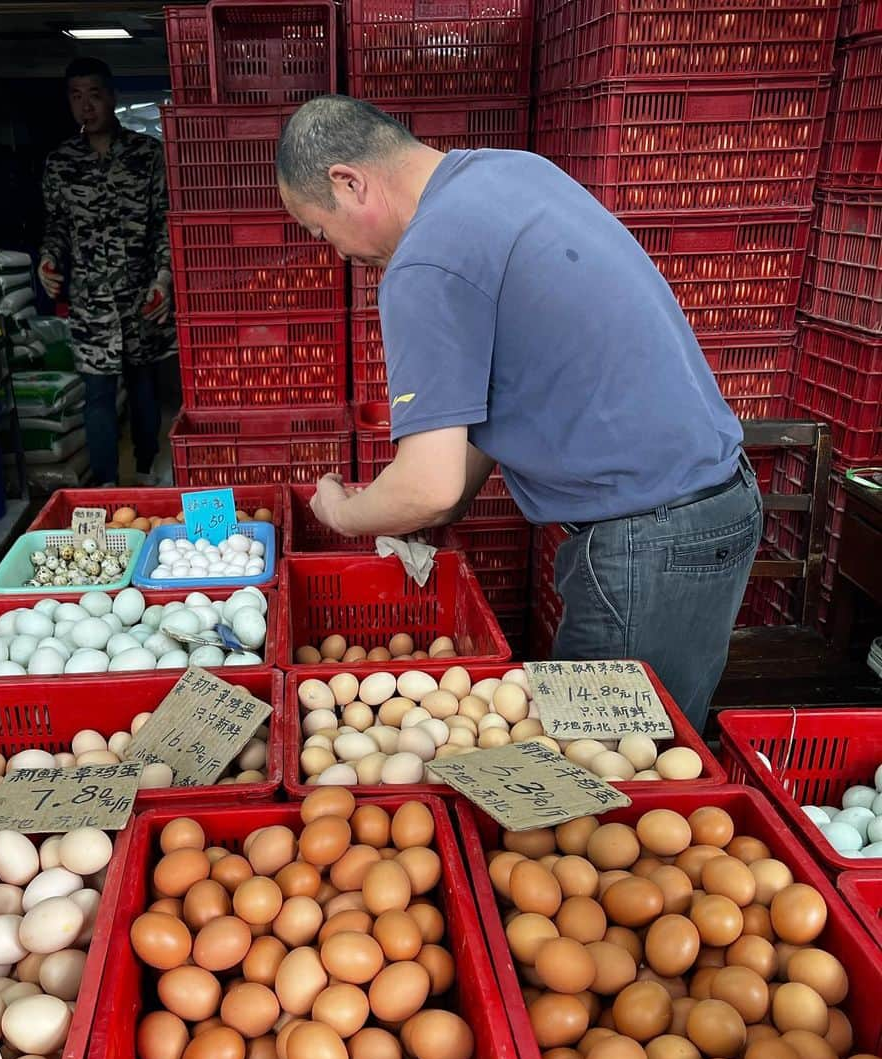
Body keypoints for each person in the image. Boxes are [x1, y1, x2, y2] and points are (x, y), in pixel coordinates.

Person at [276, 95, 762, 731]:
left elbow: (428, 484)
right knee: (664, 750)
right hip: (716, 505)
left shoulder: (425, 261)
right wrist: (435, 504)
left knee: (612, 782)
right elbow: (483, 417)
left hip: (645, 538)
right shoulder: (513, 173)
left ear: (349, 181)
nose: (336, 252)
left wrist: (343, 512)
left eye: (321, 230)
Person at [39, 57, 178, 486]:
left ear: (112, 97)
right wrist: (48, 259)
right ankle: (104, 485)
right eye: (76, 96)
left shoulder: (146, 155)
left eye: (94, 94)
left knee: (143, 389)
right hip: (91, 302)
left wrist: (163, 278)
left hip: (141, 296)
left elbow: (165, 223)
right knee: (97, 396)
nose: (86, 106)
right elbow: (57, 225)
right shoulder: (62, 162)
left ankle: (146, 469)